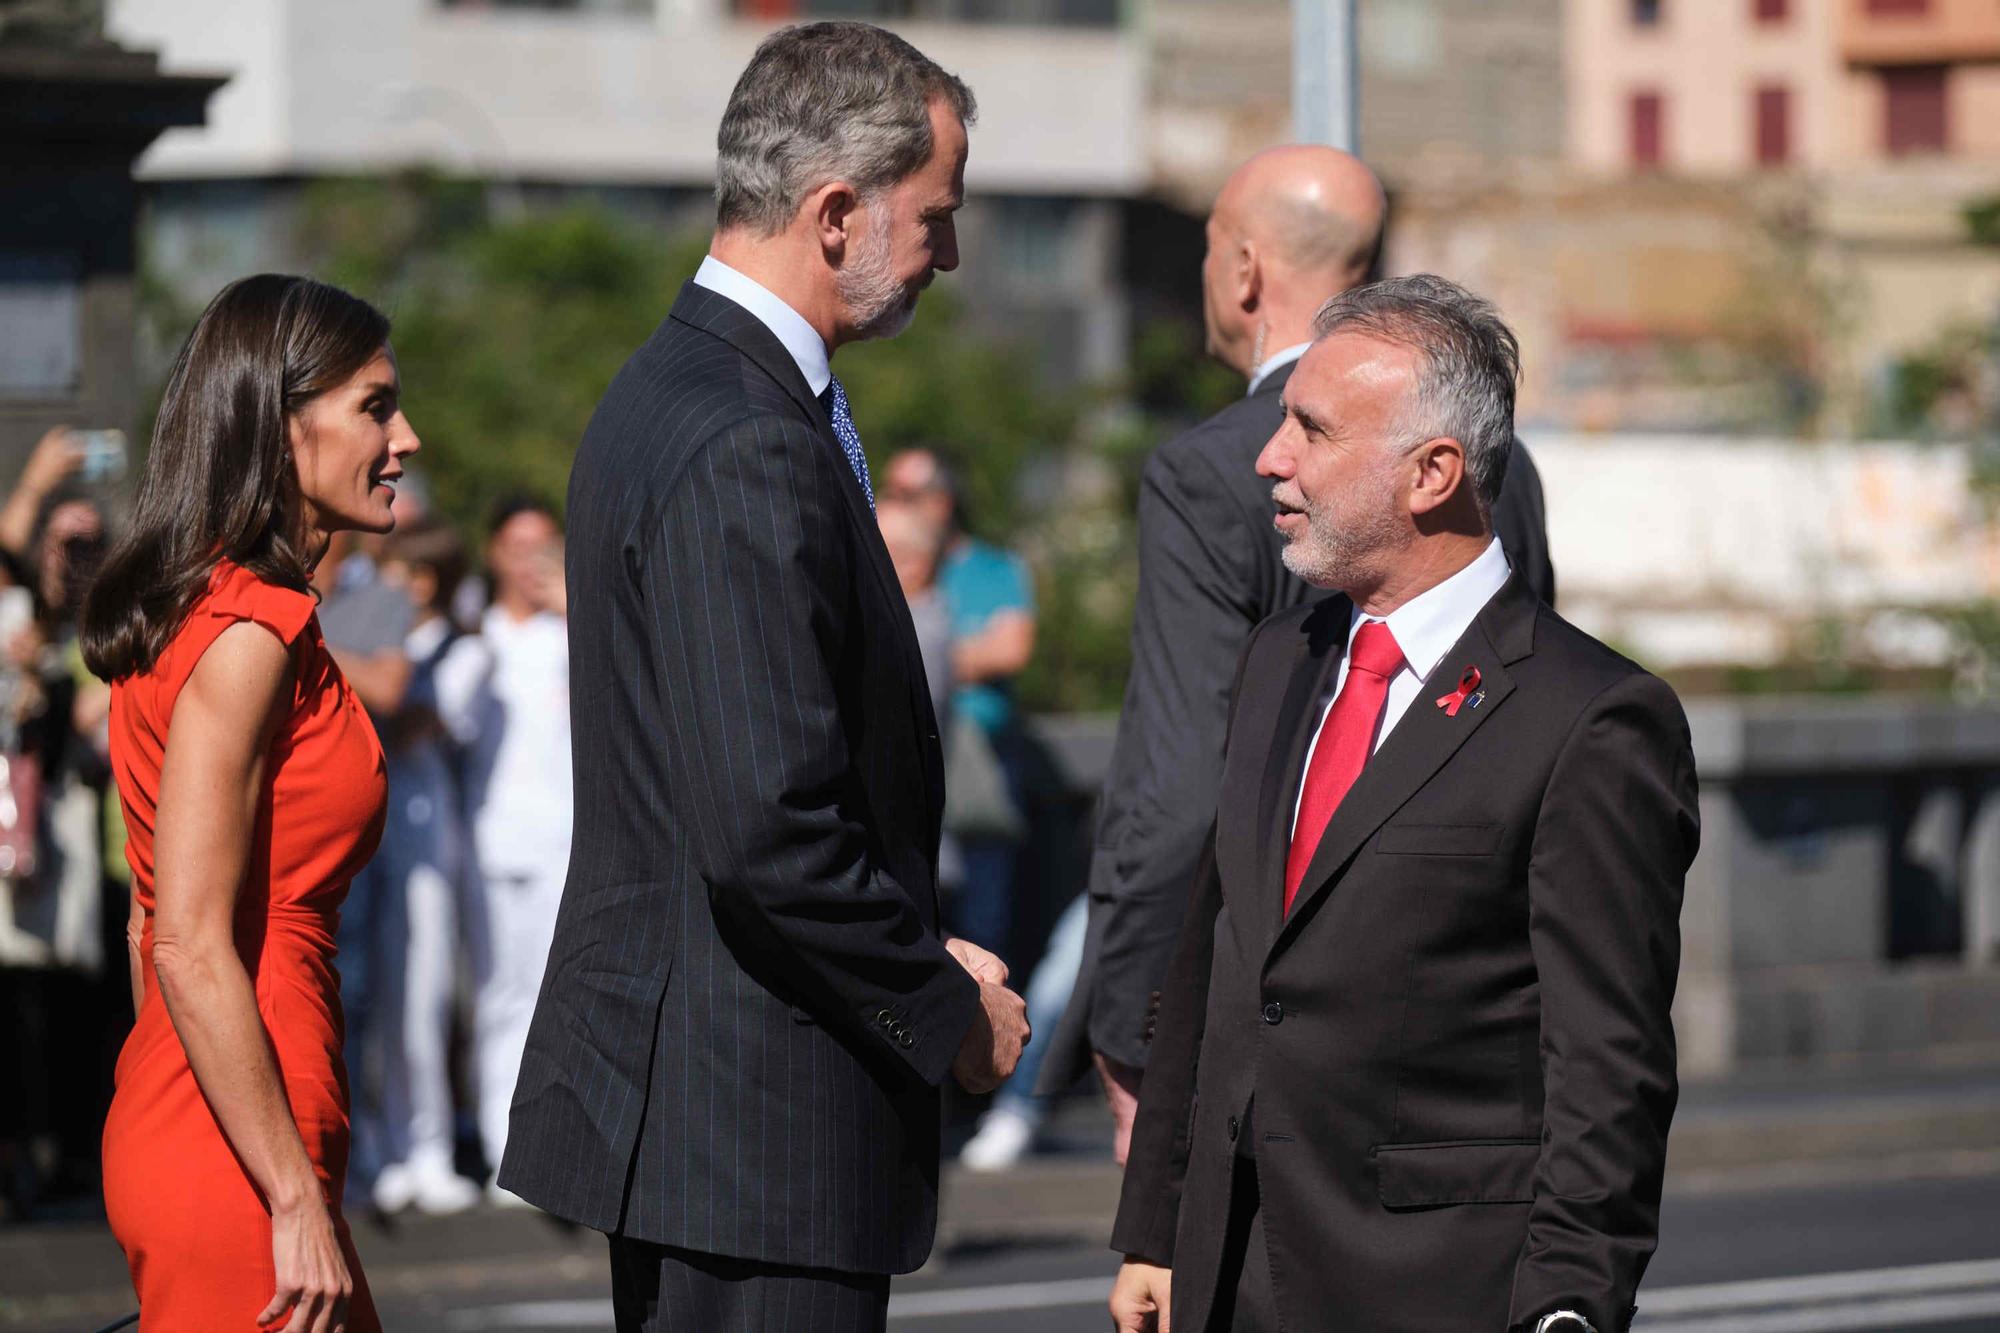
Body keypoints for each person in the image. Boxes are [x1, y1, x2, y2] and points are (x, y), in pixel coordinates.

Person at [500, 22, 1028, 1332]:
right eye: (935, 218)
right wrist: (942, 1005)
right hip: (755, 1130)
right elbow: (768, 826)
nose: (947, 257)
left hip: (712, 1115)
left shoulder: (679, 390)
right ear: (836, 210)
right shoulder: (743, 432)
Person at [1107, 276, 1698, 1333]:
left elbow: (1605, 1060)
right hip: (1227, 1270)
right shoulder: (1278, 659)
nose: (1268, 458)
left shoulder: (1591, 718)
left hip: (1436, 1286)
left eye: (1311, 430)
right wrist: (1154, 1223)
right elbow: (1218, 953)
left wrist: (1569, 1300)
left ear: (1431, 473)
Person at [1059, 146, 1557, 1160]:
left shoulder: (1207, 471)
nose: (1278, 461)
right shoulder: (1506, 467)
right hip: (1461, 1008)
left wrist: (1130, 1022)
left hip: (1258, 1016)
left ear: (1242, 269)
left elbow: (1179, 782)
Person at [84, 273, 420, 1333]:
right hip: (240, 1136)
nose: (403, 437)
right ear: (279, 426)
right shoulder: (244, 635)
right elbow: (181, 938)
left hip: (232, 1108)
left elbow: (155, 924)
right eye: (374, 405)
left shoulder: (229, 615)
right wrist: (280, 1188)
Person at [366, 516, 482, 1216]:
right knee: (369, 994)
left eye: (401, 574)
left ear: (427, 580)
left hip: (426, 833)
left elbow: (411, 721)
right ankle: (383, 1147)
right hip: (370, 827)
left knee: (424, 994)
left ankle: (431, 1144)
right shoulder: (379, 633)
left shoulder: (460, 651)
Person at [879, 448, 1037, 958]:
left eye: (905, 494)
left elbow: (1012, 648)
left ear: (942, 501)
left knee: (983, 932)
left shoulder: (990, 568)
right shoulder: (881, 558)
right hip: (916, 780)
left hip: (979, 772)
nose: (889, 502)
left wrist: (937, 654)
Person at [459, 495, 571, 1205]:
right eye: (518, 546)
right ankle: (507, 1146)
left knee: (562, 997)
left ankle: (560, 1145)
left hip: (576, 840)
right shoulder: (478, 635)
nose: (531, 561)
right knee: (504, 995)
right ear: (494, 552)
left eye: (545, 545)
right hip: (498, 841)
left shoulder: (579, 631)